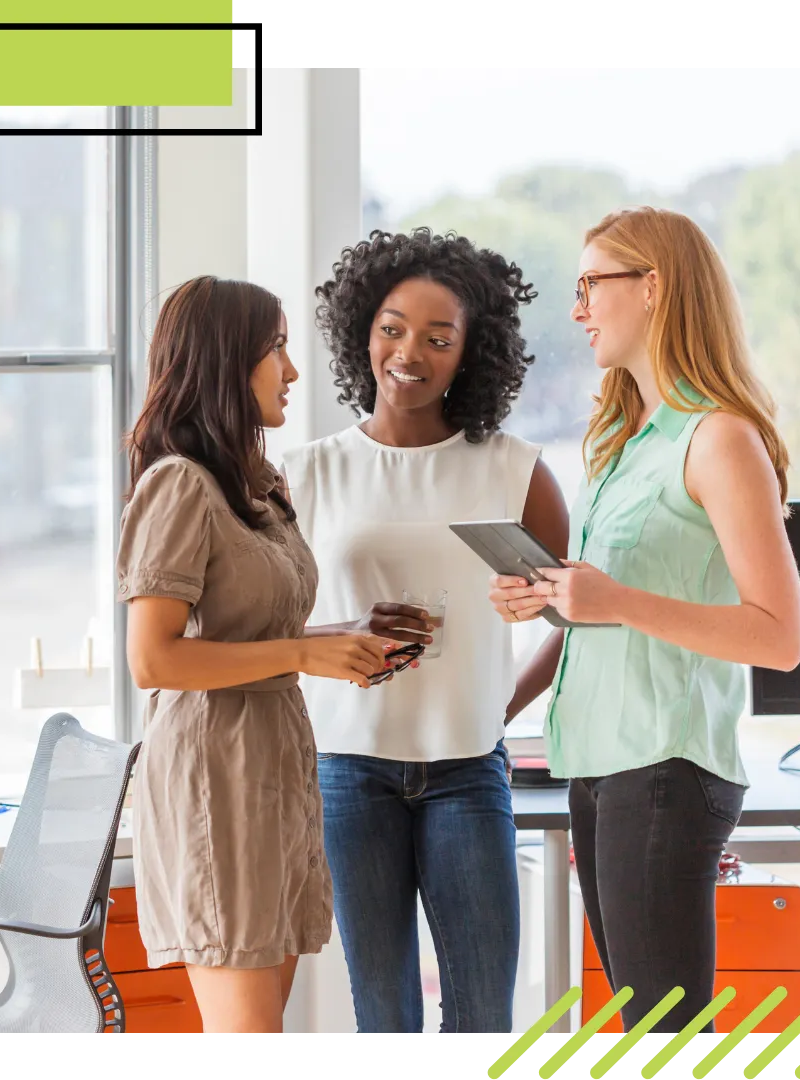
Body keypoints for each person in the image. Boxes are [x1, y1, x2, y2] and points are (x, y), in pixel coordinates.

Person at [488, 206, 800, 1038]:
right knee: (644, 1035)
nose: (578, 307)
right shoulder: (624, 442)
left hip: (663, 767)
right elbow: (600, 608)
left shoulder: (719, 439)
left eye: (593, 283)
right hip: (604, 765)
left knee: (665, 1042)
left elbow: (779, 633)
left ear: (654, 288)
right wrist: (548, 617)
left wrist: (613, 600)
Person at [280, 227, 570, 1039]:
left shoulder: (513, 469)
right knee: (385, 1018)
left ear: (469, 355)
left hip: (468, 775)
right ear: (361, 331)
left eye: (439, 338)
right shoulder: (305, 474)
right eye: (393, 328)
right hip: (345, 774)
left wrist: (499, 706)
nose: (410, 352)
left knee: (482, 1021)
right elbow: (263, 626)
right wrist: (336, 637)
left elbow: (573, 616)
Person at [115, 276, 391, 1037]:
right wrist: (305, 653)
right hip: (216, 781)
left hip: (273, 771)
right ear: (225, 362)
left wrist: (344, 634)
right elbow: (156, 659)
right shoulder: (179, 486)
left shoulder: (257, 487)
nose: (292, 372)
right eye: (276, 350)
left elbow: (250, 630)